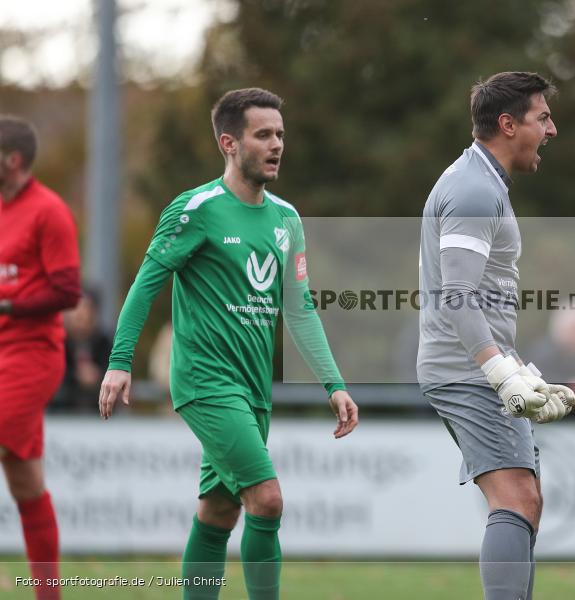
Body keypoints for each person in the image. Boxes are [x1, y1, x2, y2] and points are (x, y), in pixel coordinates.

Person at [98, 88, 358, 600]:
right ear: (229, 143)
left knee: (219, 511)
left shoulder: (287, 219)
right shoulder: (196, 209)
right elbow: (148, 281)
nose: (277, 144)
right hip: (204, 382)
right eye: (263, 134)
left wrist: (333, 382)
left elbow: (299, 307)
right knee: (268, 500)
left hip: (252, 388)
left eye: (280, 134)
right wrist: (120, 360)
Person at [417, 71, 575, 600]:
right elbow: (457, 295)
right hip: (466, 368)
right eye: (543, 117)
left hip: (474, 364)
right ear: (508, 124)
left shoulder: (480, 181)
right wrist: (498, 369)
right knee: (514, 498)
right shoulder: (473, 189)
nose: (552, 130)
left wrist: (515, 366)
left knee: (525, 498)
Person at [0, 115, 81, 600]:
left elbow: (68, 292)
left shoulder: (49, 211)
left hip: (31, 358)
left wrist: (8, 304)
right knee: (27, 484)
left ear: (13, 160)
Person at [57, 287, 113, 412]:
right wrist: (75, 377)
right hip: (62, 414)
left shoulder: (105, 344)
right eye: (75, 308)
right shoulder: (58, 343)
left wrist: (99, 376)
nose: (80, 314)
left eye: (86, 308)